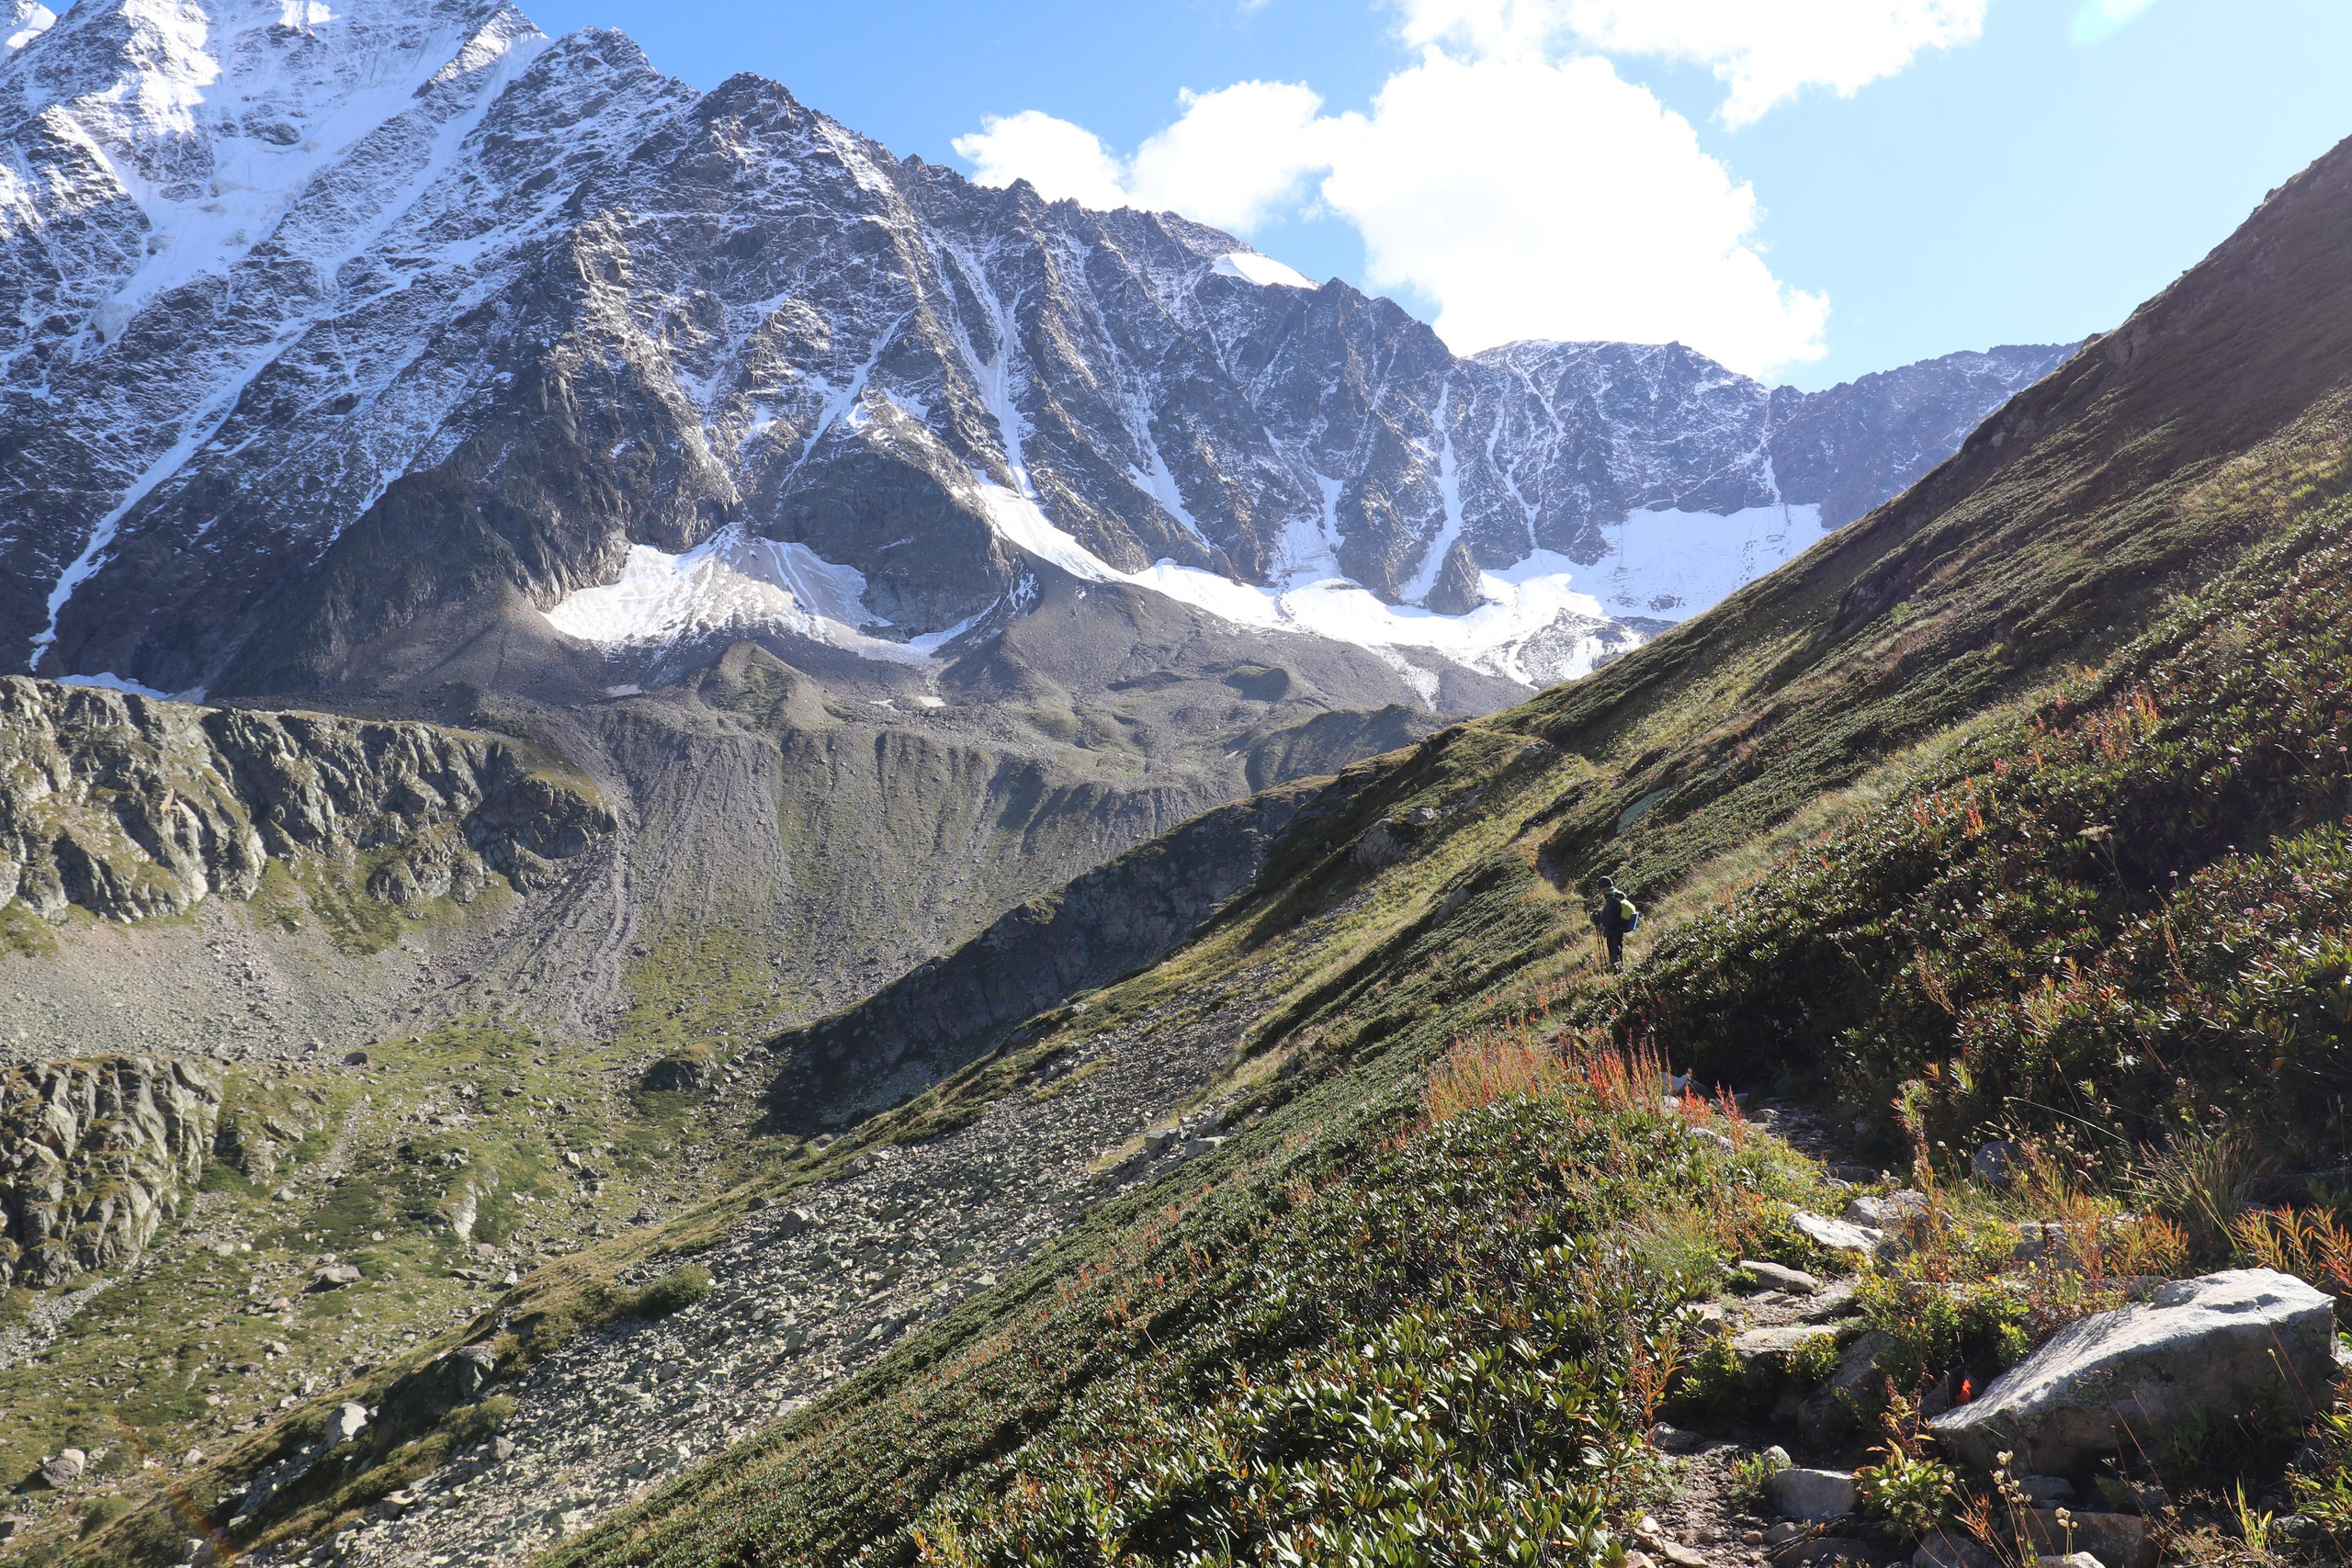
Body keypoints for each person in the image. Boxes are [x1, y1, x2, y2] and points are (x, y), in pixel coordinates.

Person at [1592, 874, 1639, 972]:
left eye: (1600, 888)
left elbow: (1609, 919)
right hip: (1619, 928)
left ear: (1603, 888)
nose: (1600, 891)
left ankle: (1617, 973)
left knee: (1614, 953)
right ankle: (1620, 971)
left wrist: (1597, 918)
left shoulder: (1611, 900)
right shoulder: (1617, 895)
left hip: (1614, 930)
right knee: (1618, 950)